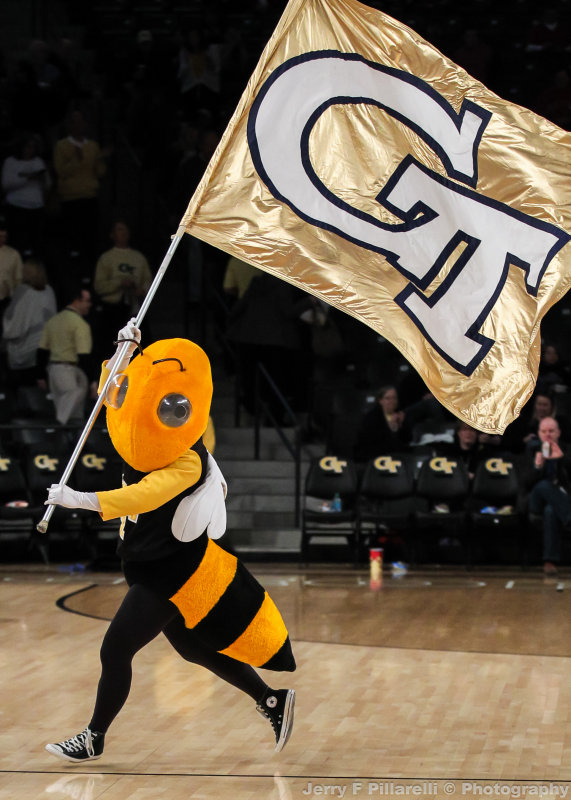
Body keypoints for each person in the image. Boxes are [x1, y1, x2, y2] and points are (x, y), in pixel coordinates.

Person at [43, 321, 295, 763]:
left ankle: (93, 737)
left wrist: (78, 499)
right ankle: (271, 700)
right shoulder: (145, 440)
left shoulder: (187, 462)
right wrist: (122, 350)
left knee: (115, 648)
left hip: (170, 573)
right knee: (191, 646)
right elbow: (113, 393)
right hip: (151, 563)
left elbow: (139, 496)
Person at [53, 110, 110, 263]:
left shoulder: (92, 146)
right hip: (70, 197)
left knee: (90, 236)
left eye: (80, 121)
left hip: (90, 195)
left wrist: (100, 158)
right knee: (72, 236)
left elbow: (99, 172)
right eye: (74, 121)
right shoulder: (62, 146)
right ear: (69, 125)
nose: (78, 125)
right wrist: (76, 160)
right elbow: (61, 171)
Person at [37, 286, 95, 424]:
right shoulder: (79, 324)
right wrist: (93, 381)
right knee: (74, 396)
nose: (90, 305)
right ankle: (57, 427)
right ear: (77, 301)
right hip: (68, 370)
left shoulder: (53, 321)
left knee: (73, 411)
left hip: (54, 371)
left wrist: (40, 375)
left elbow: (41, 350)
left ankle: (66, 438)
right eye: (87, 301)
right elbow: (84, 355)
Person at [524, 416, 571, 576]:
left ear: (559, 433)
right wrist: (538, 467)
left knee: (551, 510)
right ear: (538, 433)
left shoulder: (567, 450)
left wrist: (561, 460)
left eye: (551, 431)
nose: (548, 435)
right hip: (536, 500)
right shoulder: (532, 450)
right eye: (544, 431)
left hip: (558, 502)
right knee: (544, 485)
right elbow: (525, 483)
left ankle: (550, 561)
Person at [2, 257, 56, 387]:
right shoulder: (49, 290)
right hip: (44, 348)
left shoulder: (23, 292)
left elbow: (12, 325)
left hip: (25, 350)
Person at [93, 219, 152, 332]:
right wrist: (119, 283)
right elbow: (99, 286)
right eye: (119, 229)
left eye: (125, 229)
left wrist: (142, 290)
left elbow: (148, 281)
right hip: (112, 310)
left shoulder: (139, 257)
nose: (123, 232)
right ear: (112, 235)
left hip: (135, 308)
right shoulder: (106, 258)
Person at [1, 132, 50, 255]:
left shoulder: (38, 161)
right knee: (17, 242)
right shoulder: (10, 162)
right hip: (16, 207)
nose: (30, 150)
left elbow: (48, 183)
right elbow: (6, 184)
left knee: (37, 243)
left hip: (36, 207)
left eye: (33, 147)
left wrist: (42, 179)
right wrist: (27, 178)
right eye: (27, 146)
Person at [354, 385, 411, 462]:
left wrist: (401, 425)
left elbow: (407, 440)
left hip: (398, 458)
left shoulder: (400, 416)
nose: (392, 401)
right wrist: (391, 429)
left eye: (394, 398)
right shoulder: (371, 418)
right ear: (380, 401)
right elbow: (371, 443)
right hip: (375, 458)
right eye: (388, 398)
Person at [0, 215, 23, 323]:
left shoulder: (13, 254)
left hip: (5, 302)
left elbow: (18, 279)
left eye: (4, 236)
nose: (2, 239)